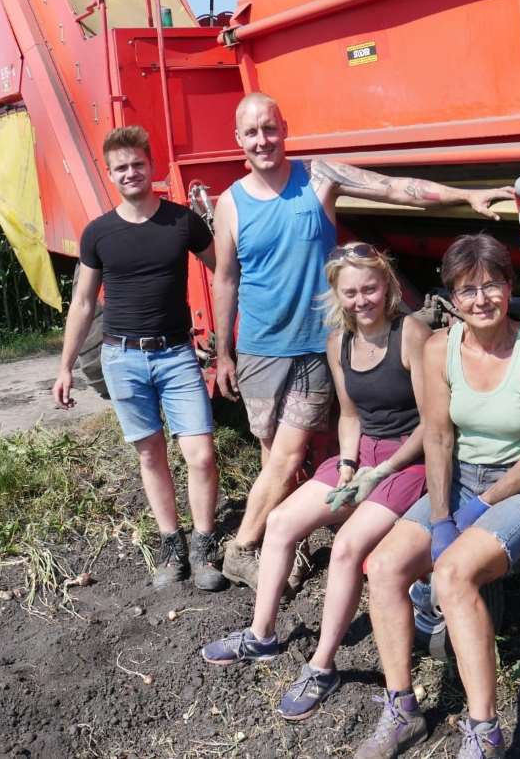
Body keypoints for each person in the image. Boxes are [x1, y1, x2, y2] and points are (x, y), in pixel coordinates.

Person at [212, 92, 515, 588]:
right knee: (273, 453)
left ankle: (244, 546)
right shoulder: (230, 203)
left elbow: (395, 188)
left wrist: (466, 197)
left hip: (318, 343)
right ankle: (279, 544)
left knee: (290, 452)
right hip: (259, 347)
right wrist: (224, 350)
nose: (262, 141)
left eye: (270, 129)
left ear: (285, 128)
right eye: (251, 133)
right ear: (238, 139)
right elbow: (225, 278)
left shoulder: (319, 177)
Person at [354, 234, 520, 759]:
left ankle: (483, 731)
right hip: (460, 478)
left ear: (508, 286)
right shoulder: (437, 347)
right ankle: (401, 709)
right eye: (467, 289)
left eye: (491, 285)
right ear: (451, 295)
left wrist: (479, 507)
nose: (481, 299)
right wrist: (445, 511)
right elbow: (438, 437)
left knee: (451, 574)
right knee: (382, 566)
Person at [200, 243, 432, 720]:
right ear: (337, 295)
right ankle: (261, 636)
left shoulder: (411, 333)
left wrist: (381, 471)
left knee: (348, 547)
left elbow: (434, 422)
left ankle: (321, 664)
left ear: (387, 286)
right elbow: (349, 415)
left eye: (370, 288)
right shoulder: (339, 342)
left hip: (410, 461)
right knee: (282, 521)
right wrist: (348, 463)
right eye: (350, 292)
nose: (361, 299)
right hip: (363, 453)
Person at [52, 126, 226, 592]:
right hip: (123, 358)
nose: (131, 173)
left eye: (137, 164)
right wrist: (66, 366)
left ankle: (205, 545)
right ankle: (172, 545)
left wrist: (231, 339)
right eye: (121, 168)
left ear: (151, 166)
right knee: (151, 456)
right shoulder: (99, 233)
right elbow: (84, 304)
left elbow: (225, 274)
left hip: (176, 355)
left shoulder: (182, 221)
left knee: (201, 454)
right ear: (111, 175)